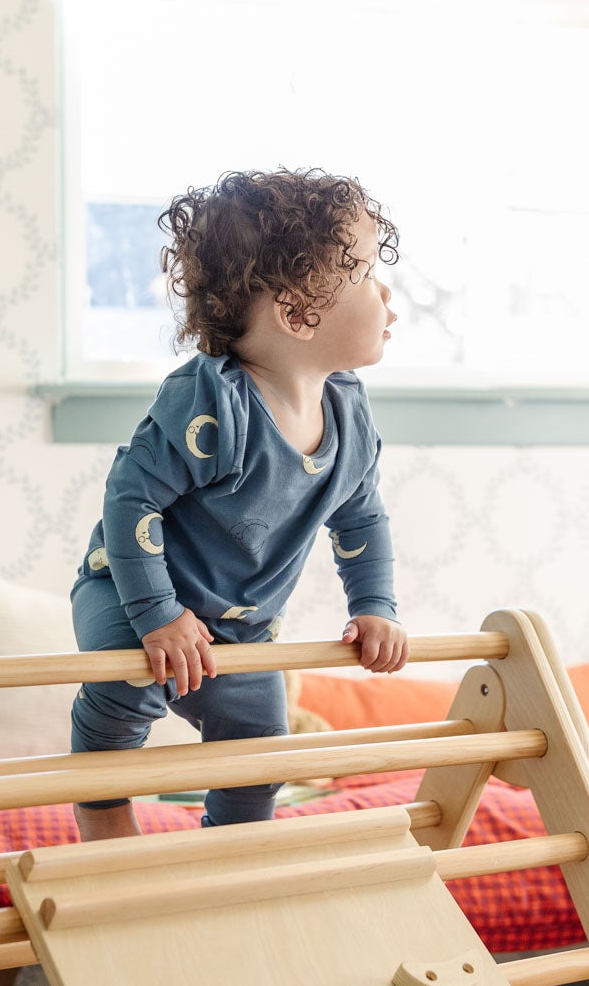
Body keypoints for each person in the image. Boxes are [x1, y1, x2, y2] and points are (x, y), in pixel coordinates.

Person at [68, 167, 411, 841]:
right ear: (296, 312)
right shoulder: (214, 401)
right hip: (132, 592)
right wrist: (158, 614)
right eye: (369, 274)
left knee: (260, 748)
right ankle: (104, 814)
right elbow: (131, 497)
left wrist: (374, 607)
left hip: (241, 631)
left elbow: (360, 519)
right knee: (128, 685)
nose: (387, 293)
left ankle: (233, 852)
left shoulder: (348, 413)